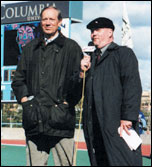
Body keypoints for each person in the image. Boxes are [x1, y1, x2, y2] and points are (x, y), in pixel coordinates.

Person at [12, 6, 82, 166]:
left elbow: (77, 83)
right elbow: (18, 80)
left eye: (52, 19)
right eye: (44, 19)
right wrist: (26, 102)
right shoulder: (29, 48)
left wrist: (65, 104)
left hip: (61, 122)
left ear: (59, 22)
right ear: (40, 22)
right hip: (34, 120)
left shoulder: (72, 48)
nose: (48, 23)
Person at [80, 17, 142, 166]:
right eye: (92, 31)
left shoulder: (123, 54)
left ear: (110, 32)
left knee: (122, 160)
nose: (93, 34)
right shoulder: (91, 59)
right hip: (94, 124)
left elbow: (132, 86)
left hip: (117, 123)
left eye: (97, 30)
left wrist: (127, 117)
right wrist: (81, 72)